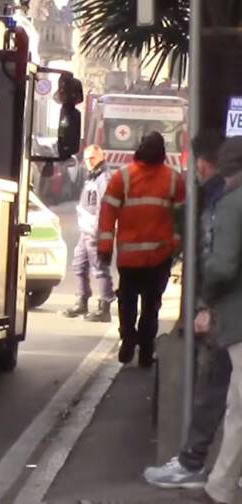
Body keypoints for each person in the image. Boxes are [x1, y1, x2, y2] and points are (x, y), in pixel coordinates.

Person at [144, 133, 229, 489]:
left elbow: (220, 261)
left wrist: (204, 304)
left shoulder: (222, 200)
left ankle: (199, 468)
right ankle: (212, 476)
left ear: (205, 165)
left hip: (230, 316)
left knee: (220, 391)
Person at [98, 131, 185, 367]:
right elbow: (181, 219)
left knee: (128, 302)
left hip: (131, 259)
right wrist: (175, 247)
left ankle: (129, 339)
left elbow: (108, 214)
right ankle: (145, 350)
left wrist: (104, 247)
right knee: (150, 307)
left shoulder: (123, 177)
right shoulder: (174, 179)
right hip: (158, 258)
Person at [197, 138, 242, 504]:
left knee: (240, 406)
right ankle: (222, 486)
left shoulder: (231, 204)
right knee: (237, 407)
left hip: (239, 319)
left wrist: (205, 292)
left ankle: (223, 487)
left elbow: (224, 266)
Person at [63, 145, 116, 322]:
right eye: (86, 159)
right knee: (79, 265)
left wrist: (99, 230)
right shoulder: (92, 176)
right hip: (86, 230)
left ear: (101, 157)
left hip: (95, 231)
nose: (88, 162)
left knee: (99, 268)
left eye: (92, 158)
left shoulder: (103, 178)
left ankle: (104, 307)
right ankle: (81, 301)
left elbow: (104, 205)